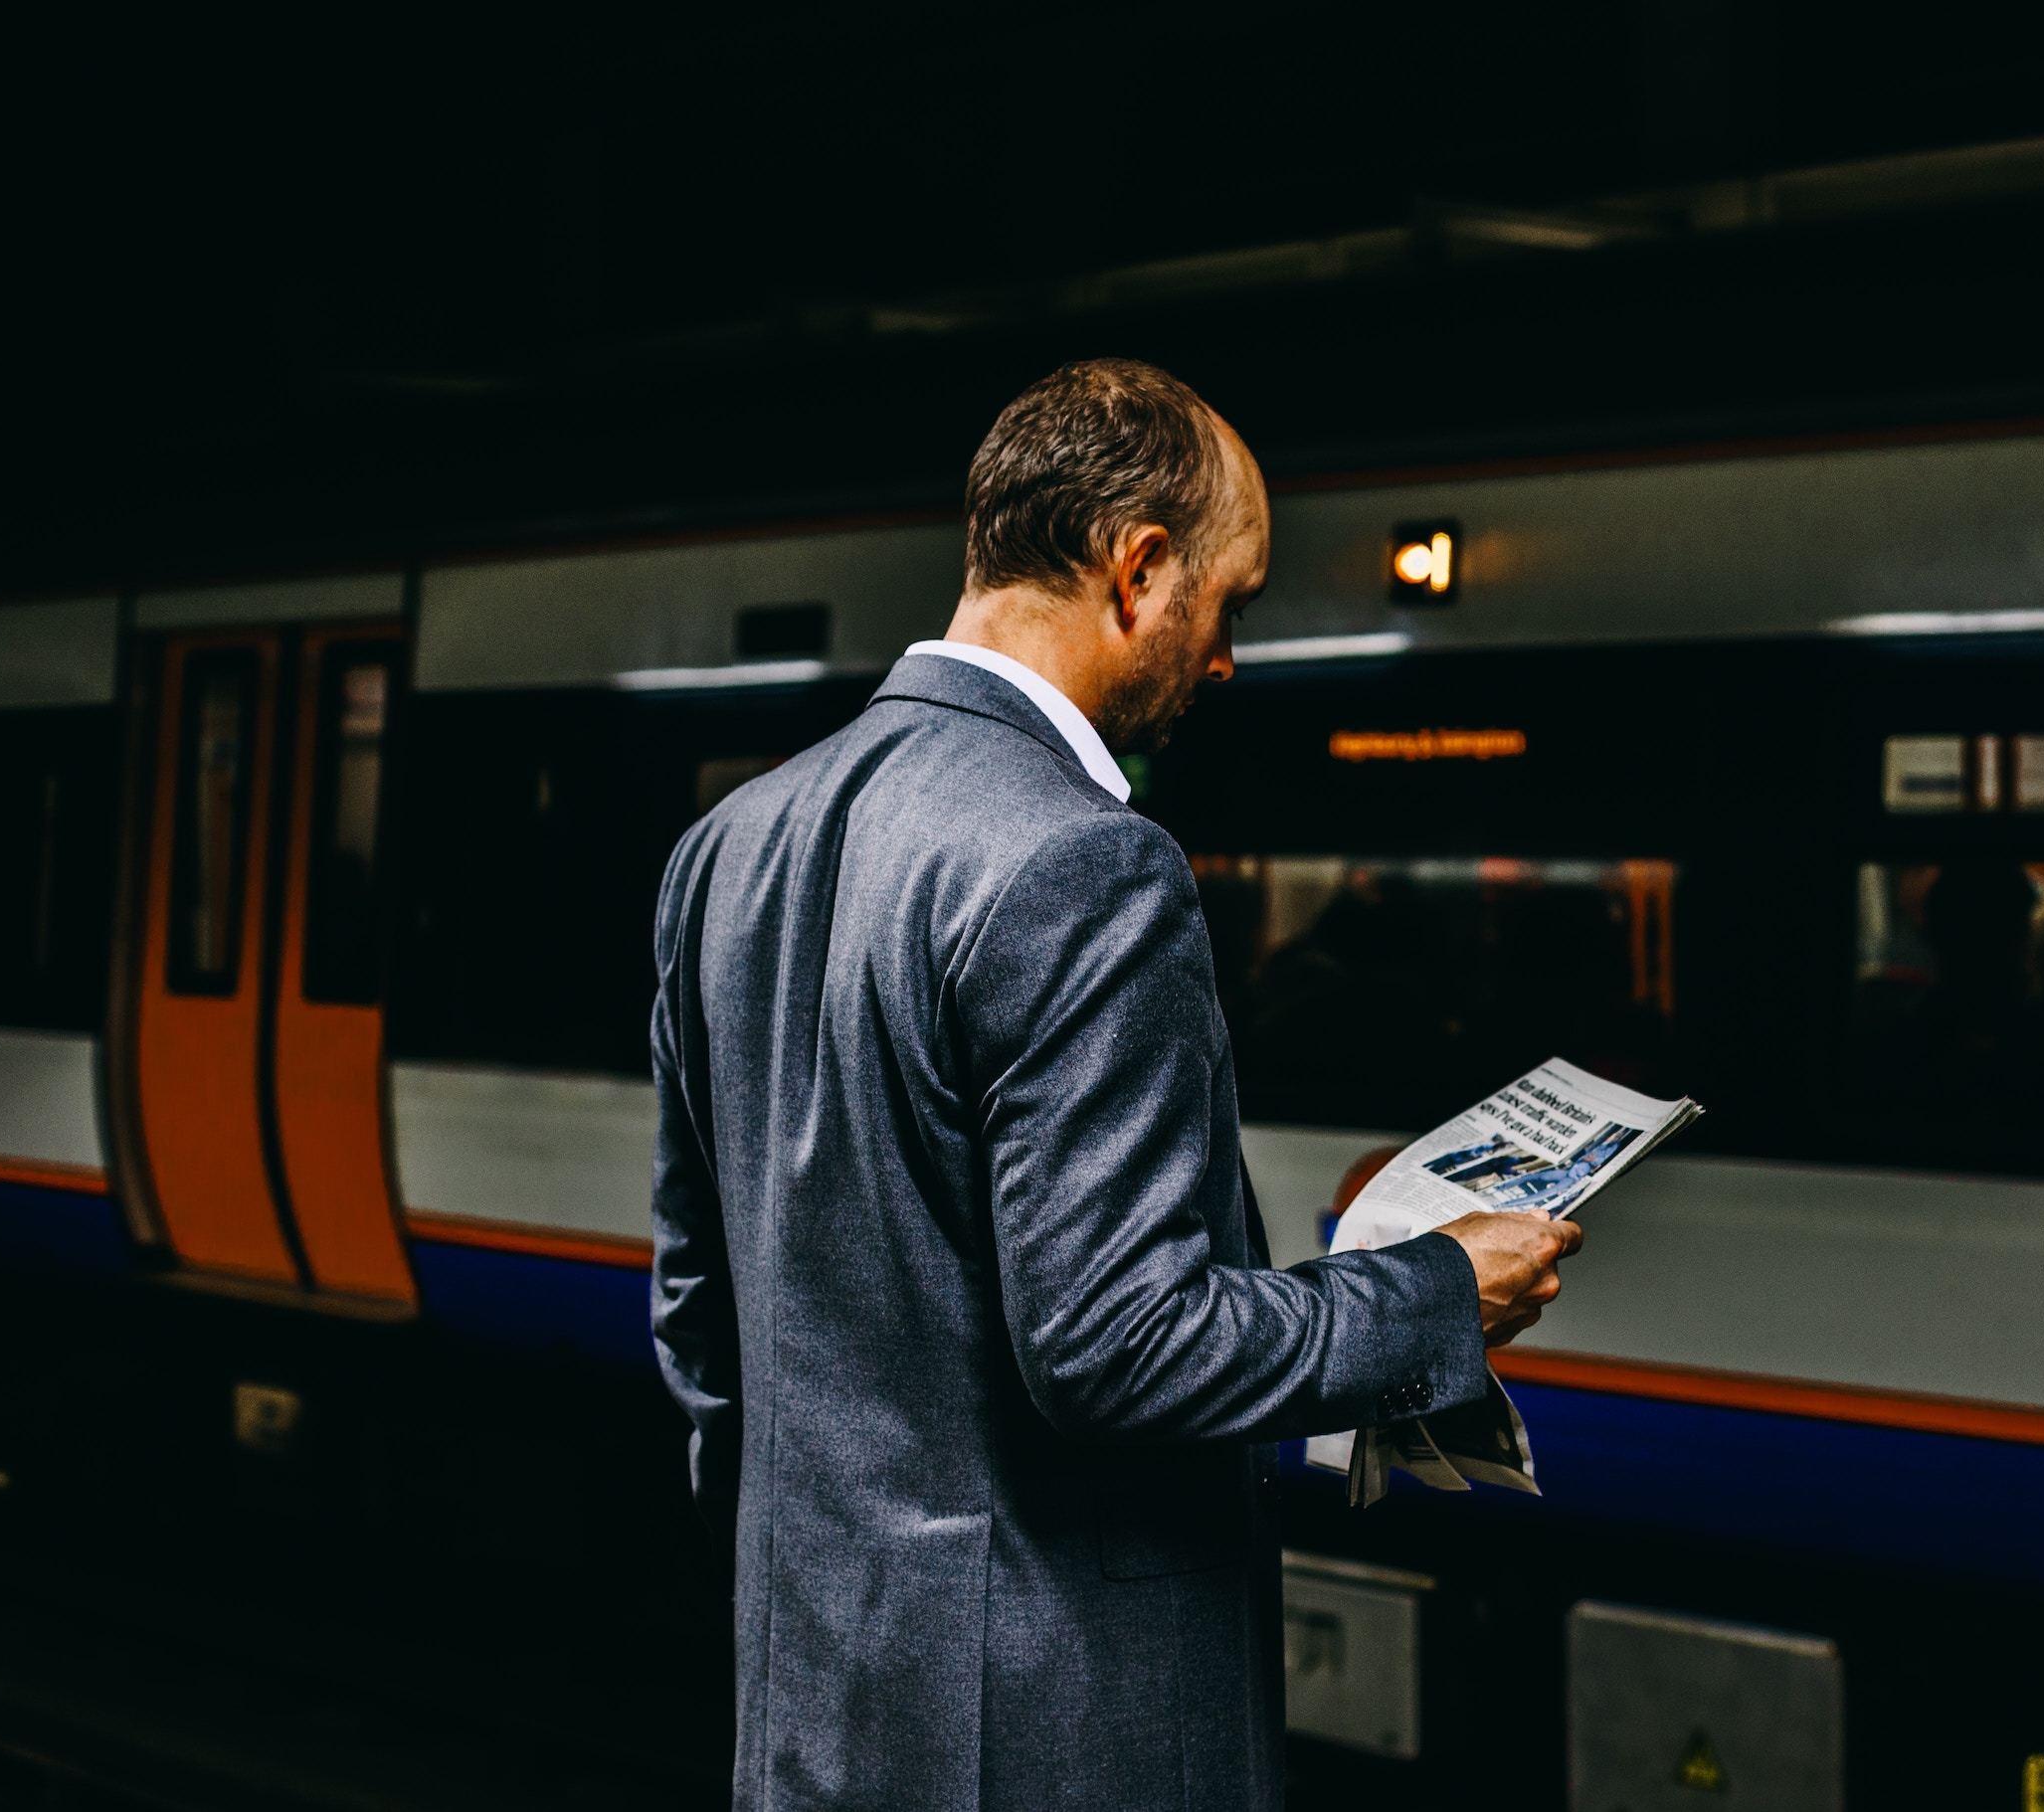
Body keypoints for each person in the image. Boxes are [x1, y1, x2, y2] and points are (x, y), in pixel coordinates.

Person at [648, 358, 1580, 1812]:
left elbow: (700, 1320)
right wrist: (1437, 1292)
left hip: (812, 1705)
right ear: (1137, 569)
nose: (1226, 659)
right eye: (1231, 604)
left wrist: (837, 1593)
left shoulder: (730, 846)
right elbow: (1118, 1344)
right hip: (1053, 1734)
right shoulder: (1084, 857)